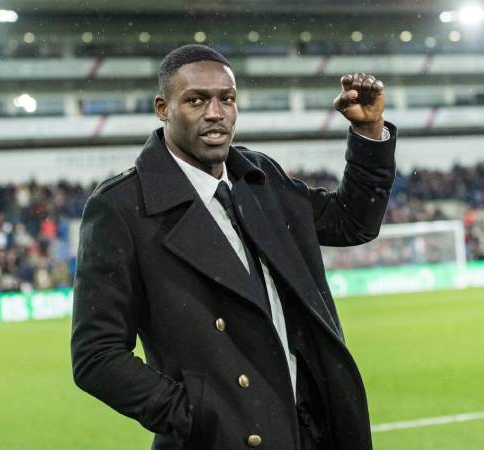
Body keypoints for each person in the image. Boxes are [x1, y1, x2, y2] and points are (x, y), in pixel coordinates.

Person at [71, 44, 396, 450]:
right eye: (196, 100)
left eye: (226, 98)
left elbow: (353, 223)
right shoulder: (122, 207)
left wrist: (368, 132)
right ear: (162, 108)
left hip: (312, 430)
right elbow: (96, 356)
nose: (215, 112)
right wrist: (199, 415)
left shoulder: (261, 178)